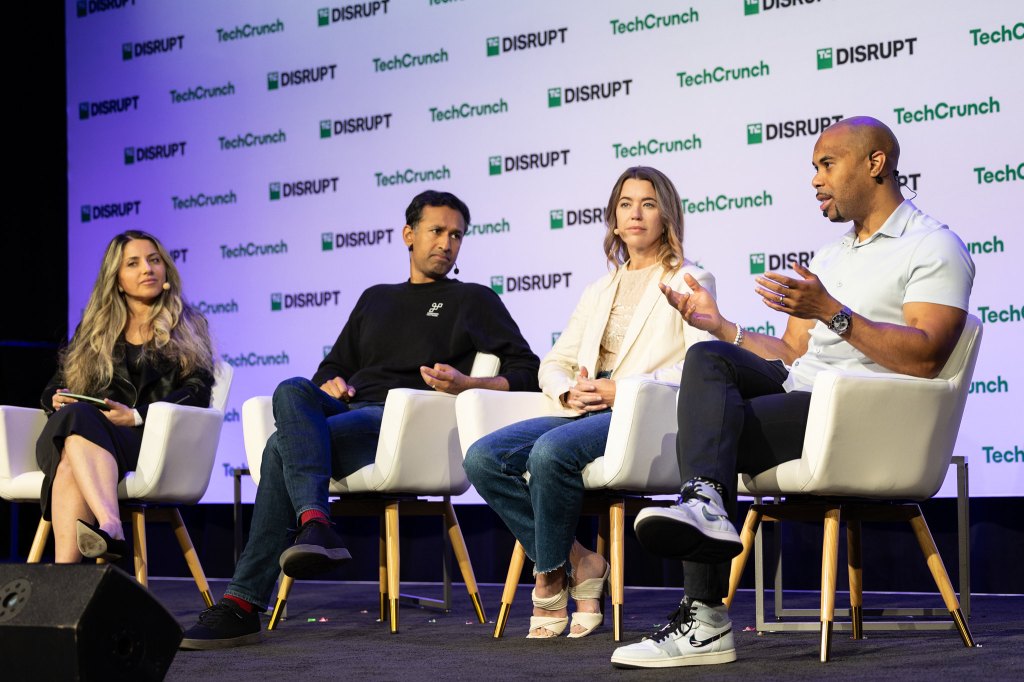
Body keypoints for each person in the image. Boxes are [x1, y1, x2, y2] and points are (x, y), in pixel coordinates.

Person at [610, 116, 976, 668]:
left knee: (710, 437)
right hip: (807, 396)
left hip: (865, 417)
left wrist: (831, 311)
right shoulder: (832, 255)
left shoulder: (933, 246)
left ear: (875, 164)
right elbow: (792, 356)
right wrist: (721, 326)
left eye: (827, 165)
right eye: (813, 168)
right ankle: (706, 505)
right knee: (707, 359)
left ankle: (704, 619)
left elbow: (927, 357)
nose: (815, 180)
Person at [180, 189, 540, 649]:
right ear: (408, 234)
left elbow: (526, 372)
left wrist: (467, 384)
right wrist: (332, 383)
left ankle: (246, 600)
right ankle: (313, 526)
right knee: (293, 387)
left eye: (457, 236)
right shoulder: (375, 299)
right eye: (437, 231)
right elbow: (333, 367)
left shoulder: (473, 299)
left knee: (278, 447)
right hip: (353, 413)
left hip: (405, 424)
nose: (447, 243)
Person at [463, 167, 716, 639]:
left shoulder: (689, 279)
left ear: (667, 215)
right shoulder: (598, 290)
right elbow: (553, 361)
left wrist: (621, 389)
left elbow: (701, 368)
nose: (635, 213)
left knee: (550, 453)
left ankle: (547, 578)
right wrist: (567, 389)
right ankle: (580, 561)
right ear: (614, 220)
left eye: (647, 203)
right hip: (582, 410)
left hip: (639, 417)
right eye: (625, 204)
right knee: (483, 457)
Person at [36, 230, 215, 564]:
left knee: (71, 457)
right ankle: (111, 526)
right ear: (117, 280)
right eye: (133, 263)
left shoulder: (188, 326)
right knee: (77, 423)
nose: (147, 269)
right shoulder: (93, 330)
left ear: (165, 271)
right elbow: (53, 388)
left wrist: (135, 416)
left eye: (154, 260)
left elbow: (197, 394)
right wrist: (56, 400)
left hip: (143, 444)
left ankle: (66, 581)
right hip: (82, 433)